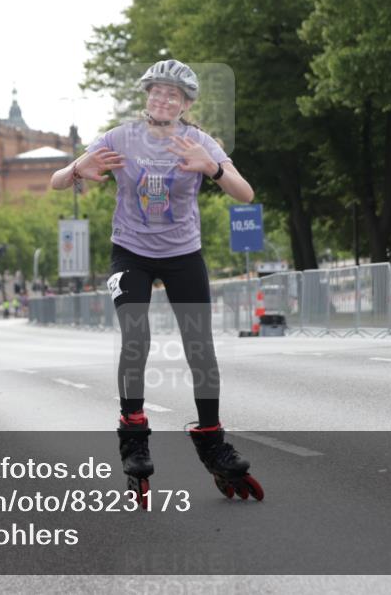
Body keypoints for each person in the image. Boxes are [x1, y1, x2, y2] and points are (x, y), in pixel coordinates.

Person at [50, 59, 263, 502]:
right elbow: (55, 181)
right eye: (157, 92)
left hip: (183, 253)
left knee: (199, 345)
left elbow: (245, 193)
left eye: (174, 95)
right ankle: (134, 434)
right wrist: (75, 172)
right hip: (131, 251)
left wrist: (213, 169)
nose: (163, 100)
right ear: (147, 96)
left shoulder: (200, 142)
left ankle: (212, 439)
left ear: (185, 104)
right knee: (136, 336)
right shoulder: (120, 137)